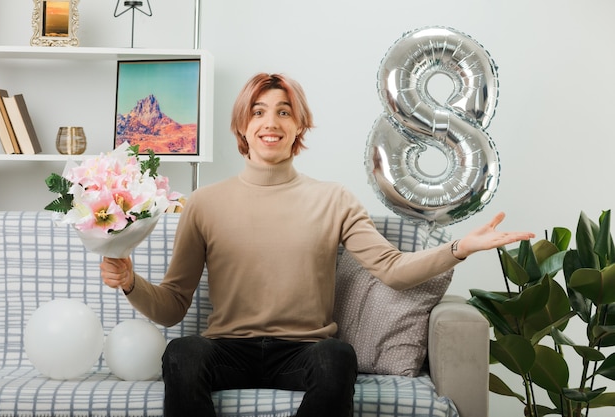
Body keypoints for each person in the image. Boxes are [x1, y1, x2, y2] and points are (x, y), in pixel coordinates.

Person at [100, 72, 535, 417]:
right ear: (242, 125)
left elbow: (391, 268)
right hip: (228, 349)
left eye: (284, 113)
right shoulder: (203, 204)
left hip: (304, 352)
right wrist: (130, 282)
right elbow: (174, 305)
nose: (271, 123)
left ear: (299, 125)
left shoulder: (334, 199)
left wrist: (459, 247)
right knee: (182, 352)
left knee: (337, 356)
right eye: (258, 112)